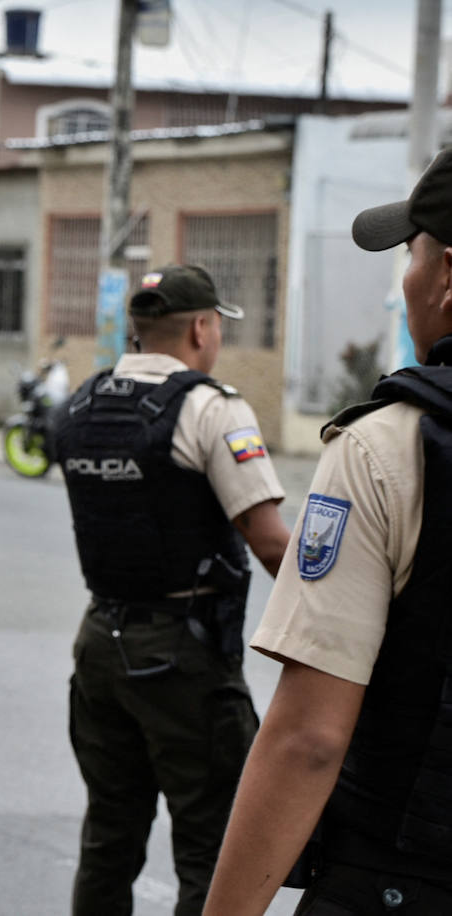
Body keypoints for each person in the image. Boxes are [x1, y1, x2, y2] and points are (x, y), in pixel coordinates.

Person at [203, 148, 452, 916]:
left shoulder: (392, 446)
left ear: (446, 275)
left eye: (409, 257)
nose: (404, 282)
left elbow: (309, 738)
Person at [52, 264, 292, 916]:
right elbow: (271, 543)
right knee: (209, 846)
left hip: (100, 644)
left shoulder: (81, 403)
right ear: (201, 327)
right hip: (181, 660)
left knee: (109, 834)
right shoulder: (212, 408)